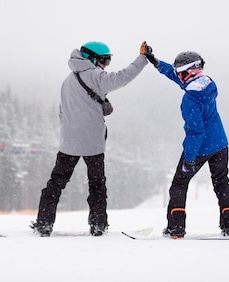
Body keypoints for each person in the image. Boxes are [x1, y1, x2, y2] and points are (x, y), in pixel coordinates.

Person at [31, 41, 149, 236]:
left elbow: (62, 111)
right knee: (97, 185)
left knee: (55, 184)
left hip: (68, 144)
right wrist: (142, 59)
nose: (106, 65)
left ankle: (44, 223)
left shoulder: (68, 80)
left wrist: (71, 131)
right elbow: (122, 77)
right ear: (93, 58)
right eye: (105, 60)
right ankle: (98, 225)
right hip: (93, 144)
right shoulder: (96, 76)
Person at [143, 45, 229, 238]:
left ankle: (175, 228)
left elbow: (196, 132)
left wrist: (189, 160)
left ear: (188, 73)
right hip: (220, 143)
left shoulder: (190, 99)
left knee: (179, 184)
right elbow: (176, 76)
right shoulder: (206, 84)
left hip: (201, 147)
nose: (177, 75)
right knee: (222, 183)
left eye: (180, 72)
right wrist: (155, 62)